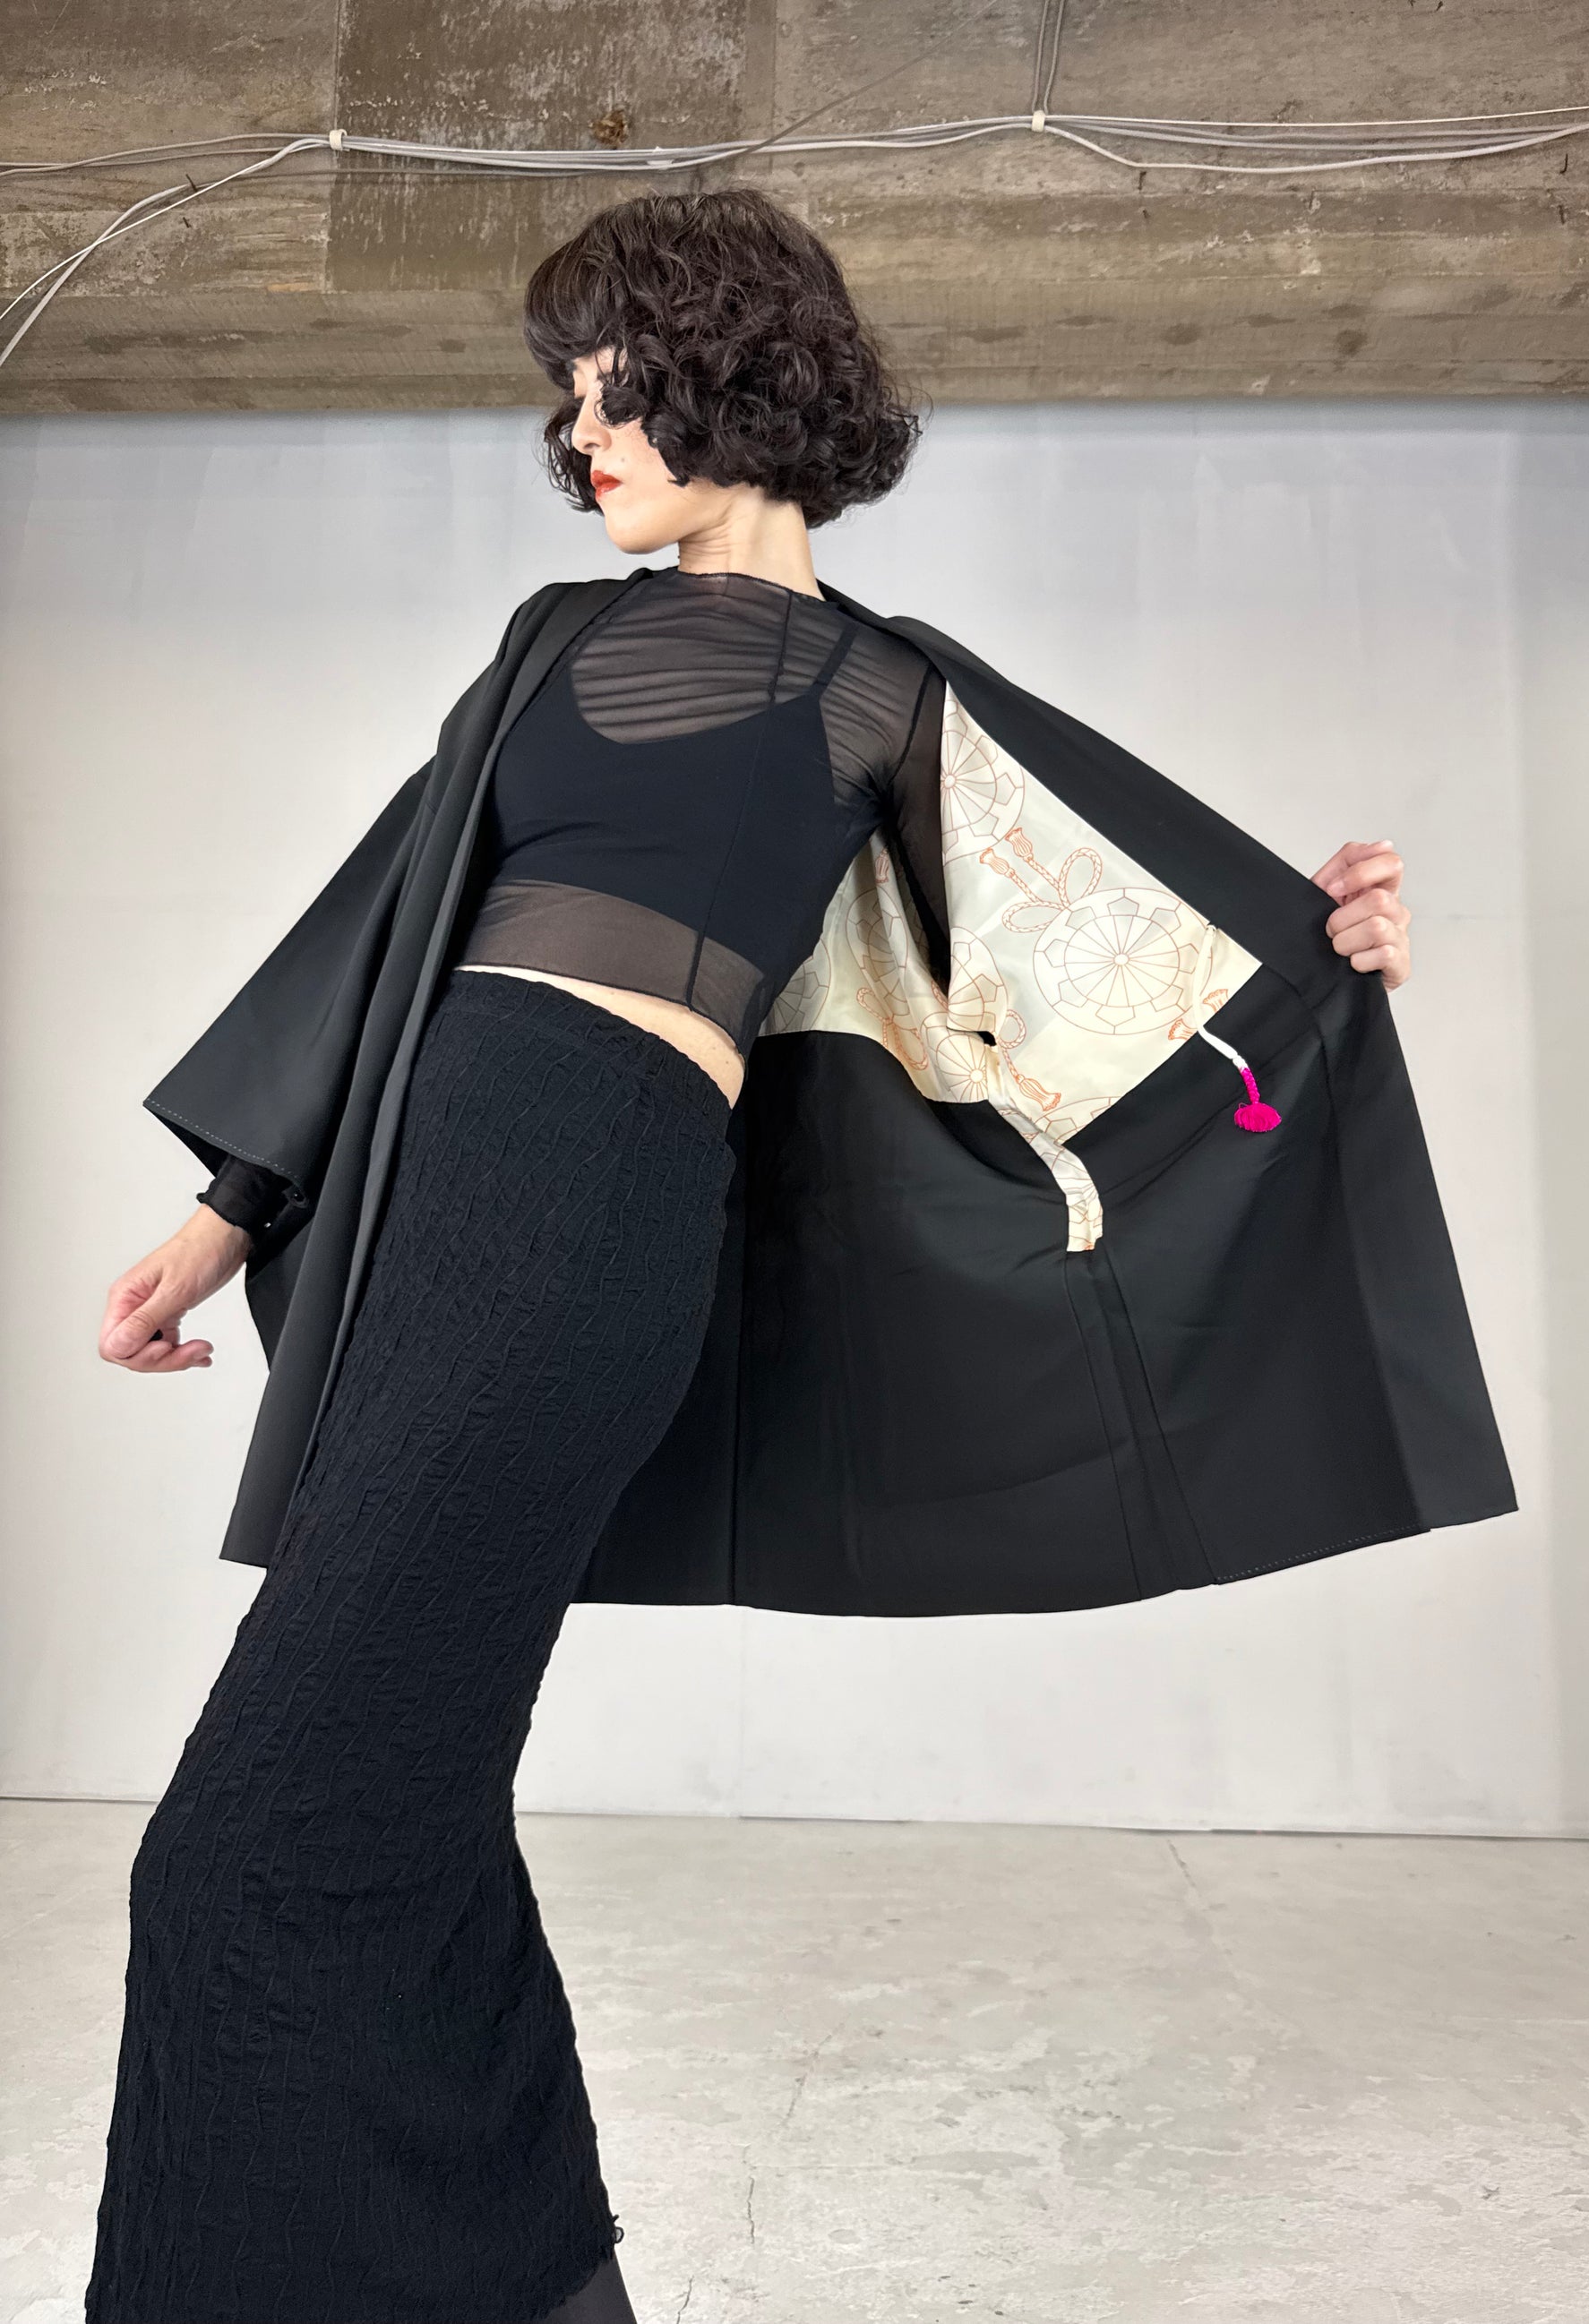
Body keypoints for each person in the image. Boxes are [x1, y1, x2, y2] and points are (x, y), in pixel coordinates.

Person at [86, 189, 1437, 2324]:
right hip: (429, 1194)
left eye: (610, 384)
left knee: (240, 1850)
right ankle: (533, 2283)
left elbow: (1107, 947)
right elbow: (383, 917)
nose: (579, 433)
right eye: (566, 398)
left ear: (730, 372)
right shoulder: (553, 638)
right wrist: (222, 1207)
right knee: (401, 1799)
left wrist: (1326, 944)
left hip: (595, 1211)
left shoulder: (885, 694)